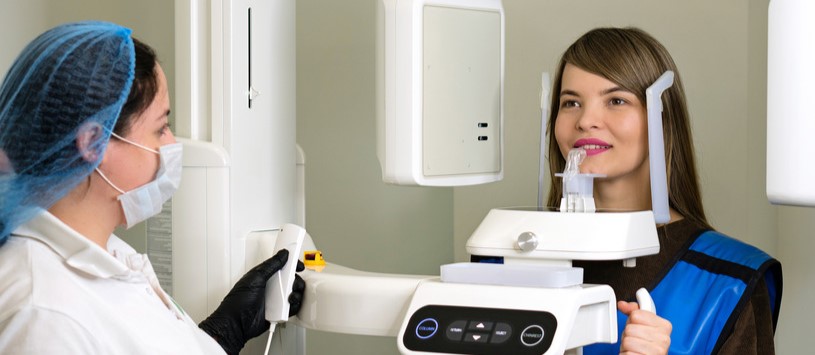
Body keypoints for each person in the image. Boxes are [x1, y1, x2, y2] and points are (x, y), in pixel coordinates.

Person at [0, 21, 304, 354]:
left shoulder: (105, 251)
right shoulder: (42, 317)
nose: (172, 144)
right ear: (92, 142)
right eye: (161, 129)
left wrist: (228, 328)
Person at [545, 27, 782, 354]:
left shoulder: (730, 282)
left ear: (661, 117)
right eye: (571, 102)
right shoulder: (510, 262)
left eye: (616, 100)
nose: (586, 120)